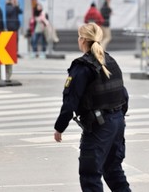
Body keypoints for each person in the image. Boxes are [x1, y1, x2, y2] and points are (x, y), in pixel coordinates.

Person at [54, 23, 131, 192]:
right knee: (113, 171)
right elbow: (123, 95)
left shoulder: (82, 67)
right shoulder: (110, 60)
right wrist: (118, 117)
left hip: (99, 126)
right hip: (117, 123)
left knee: (90, 175)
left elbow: (70, 103)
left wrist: (59, 128)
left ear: (82, 40)